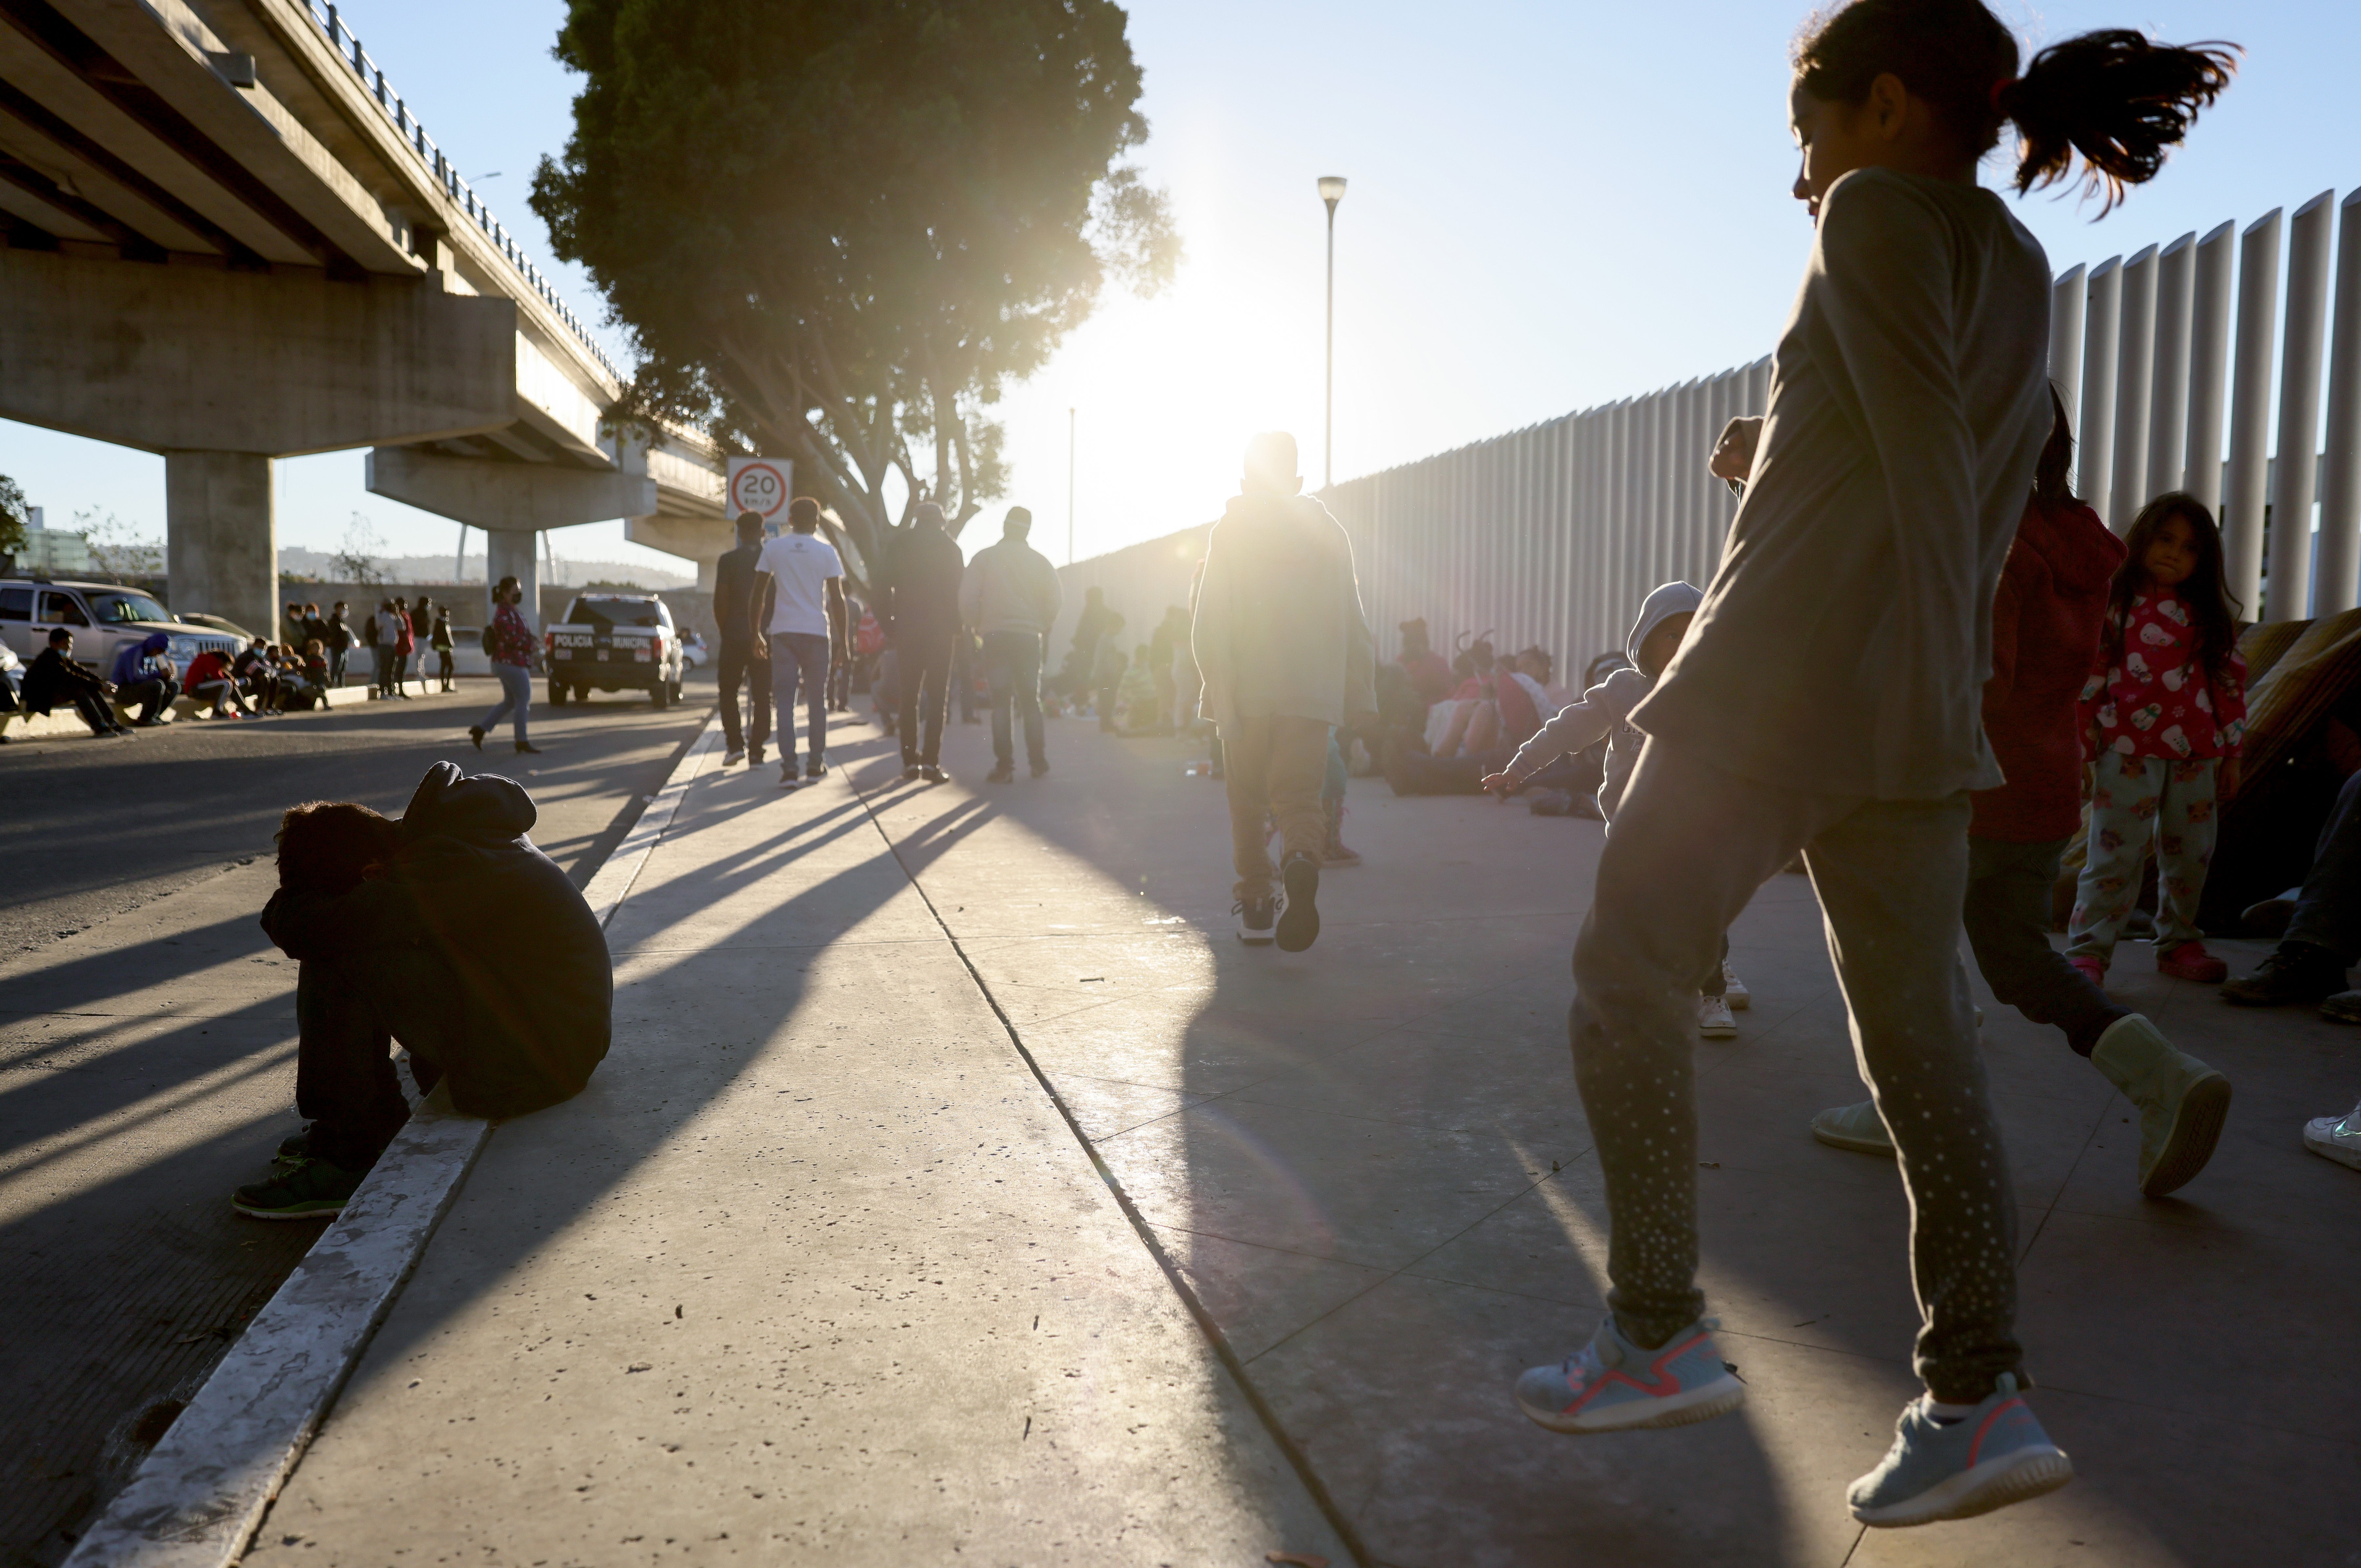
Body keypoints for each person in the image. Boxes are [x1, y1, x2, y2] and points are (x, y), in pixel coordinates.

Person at [1510, 7, 2232, 1530]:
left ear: (1888, 105)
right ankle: (1976, 1396)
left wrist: (1872, 637)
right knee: (1920, 1049)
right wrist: (1779, 447)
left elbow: (1916, 451)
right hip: (1919, 719)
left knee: (1624, 967)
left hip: (1779, 685)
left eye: (1811, 133)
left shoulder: (1872, 206)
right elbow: (1959, 445)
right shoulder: (2017, 264)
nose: (1802, 178)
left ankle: (1651, 1333)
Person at [1807, 394, 2232, 1198]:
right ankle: (2164, 1075)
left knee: (1897, 947)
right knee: (2013, 957)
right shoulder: (2084, 540)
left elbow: (1979, 686)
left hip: (1967, 786)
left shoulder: (1996, 542)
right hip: (2041, 789)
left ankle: (1907, 1109)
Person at [231, 762, 613, 1218]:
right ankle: (357, 1128)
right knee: (351, 933)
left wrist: (301, 897)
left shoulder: (454, 864)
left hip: (532, 1067)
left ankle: (351, 1154)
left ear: (372, 871)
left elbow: (309, 928)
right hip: (551, 1040)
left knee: (340, 948)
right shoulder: (469, 841)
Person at [1482, 583, 1753, 1035]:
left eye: (1695, 632)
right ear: (1644, 640)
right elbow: (1566, 730)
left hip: (1699, 830)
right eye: (1670, 635)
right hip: (1634, 830)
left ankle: (1711, 992)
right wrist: (1520, 767)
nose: (1683, 643)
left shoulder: (1718, 693)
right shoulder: (1621, 690)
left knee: (1700, 910)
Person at [1193, 431, 1377, 953]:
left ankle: (1255, 908)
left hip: (1247, 694)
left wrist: (1216, 691)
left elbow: (1209, 623)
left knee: (1246, 802)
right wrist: (1360, 696)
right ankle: (1299, 860)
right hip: (1310, 694)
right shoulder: (1328, 531)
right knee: (1299, 798)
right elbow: (1354, 618)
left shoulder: (1228, 530)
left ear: (1244, 481)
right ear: (1297, 481)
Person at [2066, 492, 2247, 985]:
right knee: (2113, 856)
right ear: (2143, 539)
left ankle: (2178, 942)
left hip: (2196, 756)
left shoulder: (2208, 618)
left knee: (2190, 855)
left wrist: (2231, 753)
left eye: (2189, 548)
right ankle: (2088, 950)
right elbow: (2089, 678)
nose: (2173, 553)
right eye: (2165, 539)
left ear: (2203, 560)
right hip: (2124, 753)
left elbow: (2229, 687)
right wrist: (2080, 747)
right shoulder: (2113, 606)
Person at [753, 496, 850, 788]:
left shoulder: (774, 547)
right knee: (818, 702)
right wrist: (844, 642)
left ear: (790, 520)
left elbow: (758, 593)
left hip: (782, 632)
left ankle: (789, 770)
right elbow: (837, 599)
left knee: (784, 703)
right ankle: (815, 765)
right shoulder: (826, 551)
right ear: (817, 522)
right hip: (817, 633)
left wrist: (755, 632)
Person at [961, 506, 1063, 782]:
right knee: (1031, 701)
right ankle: (1038, 762)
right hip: (1028, 637)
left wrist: (979, 624)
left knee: (1001, 702)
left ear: (1004, 526)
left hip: (995, 636)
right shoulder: (1040, 562)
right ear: (1028, 530)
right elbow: (1054, 600)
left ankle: (1005, 766)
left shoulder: (985, 558)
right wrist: (1040, 623)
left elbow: (967, 598)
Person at [888, 501, 968, 783]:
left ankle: (910, 763)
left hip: (908, 629)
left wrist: (890, 625)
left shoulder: (900, 544)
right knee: (937, 698)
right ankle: (931, 764)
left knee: (909, 697)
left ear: (916, 519)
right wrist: (958, 627)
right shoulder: (952, 548)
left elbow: (883, 584)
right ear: (941, 522)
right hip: (940, 632)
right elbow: (961, 591)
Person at [712, 511, 773, 767]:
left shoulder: (728, 561)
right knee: (762, 695)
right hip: (766, 636)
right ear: (762, 532)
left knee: (728, 691)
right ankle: (757, 751)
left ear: (739, 533)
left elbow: (721, 600)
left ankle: (735, 745)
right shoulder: (772, 559)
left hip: (734, 635)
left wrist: (726, 630)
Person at [468, 575, 541, 754]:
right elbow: (512, 639)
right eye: (515, 592)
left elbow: (521, 635)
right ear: (505, 593)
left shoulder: (512, 612)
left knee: (510, 701)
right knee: (523, 699)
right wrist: (531, 645)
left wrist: (531, 640)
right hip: (510, 663)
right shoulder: (504, 614)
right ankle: (521, 741)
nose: (518, 595)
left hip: (510, 662)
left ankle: (481, 730)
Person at [21, 627, 132, 737]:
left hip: (52, 694)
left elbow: (83, 672)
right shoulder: (49, 659)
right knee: (78, 689)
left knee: (90, 686)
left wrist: (103, 683)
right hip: (39, 700)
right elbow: (71, 677)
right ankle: (99, 727)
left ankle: (112, 723)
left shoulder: (64, 658)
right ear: (54, 644)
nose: (69, 647)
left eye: (70, 644)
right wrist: (100, 686)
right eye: (65, 644)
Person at [108, 631, 181, 727]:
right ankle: (145, 719)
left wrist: (167, 676)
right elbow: (135, 678)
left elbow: (152, 674)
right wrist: (160, 675)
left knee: (174, 686)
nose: (159, 654)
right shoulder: (136, 653)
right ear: (153, 647)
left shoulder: (153, 657)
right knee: (157, 685)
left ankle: (155, 716)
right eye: (159, 651)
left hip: (138, 688)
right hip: (122, 690)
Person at [1059, 585, 1115, 707]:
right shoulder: (1107, 613)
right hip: (1098, 653)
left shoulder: (1089, 612)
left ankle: (1084, 700)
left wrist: (1077, 644)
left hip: (1088, 652)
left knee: (1084, 677)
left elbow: (1081, 633)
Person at [184, 645, 255, 718]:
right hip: (194, 689)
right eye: (227, 665)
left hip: (201, 687)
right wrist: (230, 680)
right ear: (222, 661)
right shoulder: (210, 659)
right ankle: (217, 712)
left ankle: (243, 708)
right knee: (226, 684)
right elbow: (217, 677)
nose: (226, 667)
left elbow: (219, 675)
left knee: (232, 683)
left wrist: (231, 679)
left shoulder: (211, 661)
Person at [1397, 618, 1455, 708]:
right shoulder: (1400, 662)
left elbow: (1448, 694)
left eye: (1416, 643)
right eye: (1408, 644)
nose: (1412, 647)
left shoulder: (1438, 663)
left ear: (1424, 643)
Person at [1092, 614, 1129, 733]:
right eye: (1120, 628)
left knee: (1109, 700)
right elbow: (1101, 659)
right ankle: (1106, 725)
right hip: (1105, 675)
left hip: (1108, 674)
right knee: (1107, 701)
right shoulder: (1105, 639)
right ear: (1114, 626)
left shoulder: (1109, 638)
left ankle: (1107, 723)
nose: (1120, 631)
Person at [390, 595, 417, 699]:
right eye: (403, 603)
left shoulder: (406, 615)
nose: (405, 606)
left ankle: (400, 690)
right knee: (397, 670)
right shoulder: (397, 616)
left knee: (402, 670)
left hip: (406, 646)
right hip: (399, 646)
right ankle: (396, 690)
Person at [324, 601, 354, 688]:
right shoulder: (334, 621)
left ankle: (341, 684)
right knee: (336, 667)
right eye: (342, 608)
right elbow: (333, 636)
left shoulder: (342, 621)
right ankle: (332, 683)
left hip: (344, 648)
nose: (344, 611)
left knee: (343, 667)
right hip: (337, 647)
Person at [365, 598, 391, 696]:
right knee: (378, 664)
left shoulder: (388, 618)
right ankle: (373, 683)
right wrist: (374, 644)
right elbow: (370, 633)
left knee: (382, 665)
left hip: (382, 645)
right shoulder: (373, 620)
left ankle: (376, 682)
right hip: (376, 646)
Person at [429, 609, 455, 693]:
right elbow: (439, 636)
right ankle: (444, 686)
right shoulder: (440, 623)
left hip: (446, 648)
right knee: (448, 667)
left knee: (447, 667)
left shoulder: (444, 622)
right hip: (443, 648)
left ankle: (446, 686)